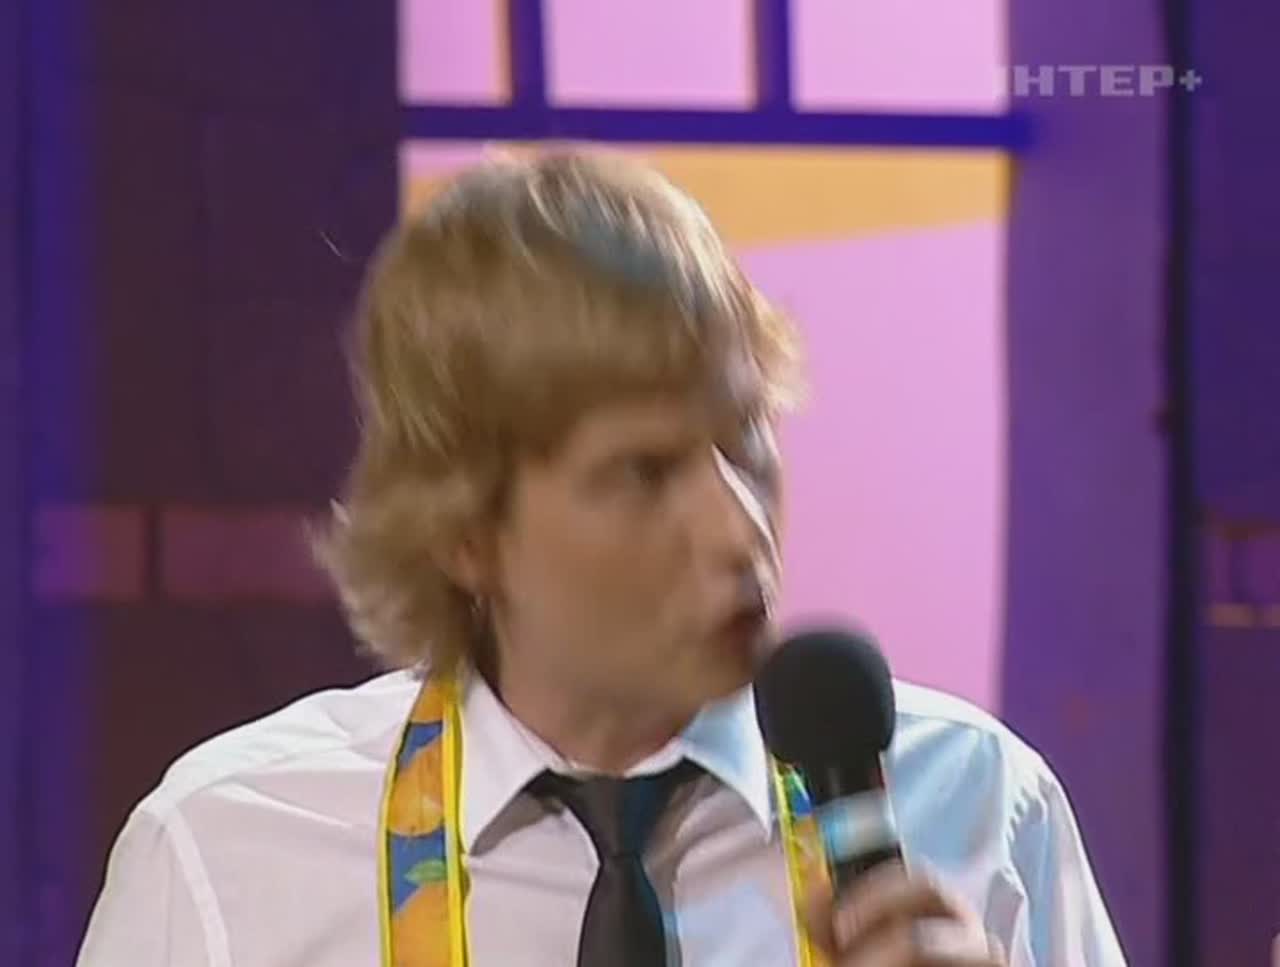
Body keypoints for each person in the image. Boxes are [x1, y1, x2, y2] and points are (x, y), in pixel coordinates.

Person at [77, 152, 1125, 966]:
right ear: (466, 531)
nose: (739, 532)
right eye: (642, 472)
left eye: (746, 443)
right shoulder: (226, 848)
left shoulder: (977, 800)